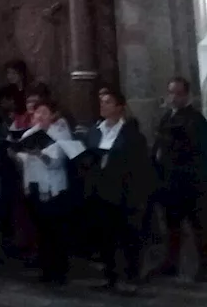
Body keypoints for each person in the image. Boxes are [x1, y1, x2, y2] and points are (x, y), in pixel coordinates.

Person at [87, 89, 154, 295]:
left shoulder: (131, 135)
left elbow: (139, 166)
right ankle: (110, 276)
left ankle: (131, 277)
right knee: (105, 238)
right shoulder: (95, 131)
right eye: (101, 101)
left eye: (108, 102)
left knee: (128, 238)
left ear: (119, 107)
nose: (103, 105)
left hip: (124, 193)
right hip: (101, 192)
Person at [154, 77, 207, 282]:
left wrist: (168, 140)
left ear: (186, 95)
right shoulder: (166, 118)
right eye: (170, 92)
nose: (173, 97)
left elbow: (194, 149)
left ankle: (204, 267)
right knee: (172, 225)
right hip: (171, 182)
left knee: (199, 227)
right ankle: (171, 262)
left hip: (192, 182)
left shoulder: (196, 119)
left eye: (177, 93)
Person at [16, 99, 79, 284]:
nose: (40, 116)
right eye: (37, 113)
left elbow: (58, 162)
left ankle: (59, 271)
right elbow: (23, 157)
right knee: (41, 230)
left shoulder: (60, 134)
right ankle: (45, 268)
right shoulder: (30, 133)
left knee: (55, 231)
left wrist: (41, 154)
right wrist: (18, 154)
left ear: (52, 115)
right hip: (35, 186)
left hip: (53, 189)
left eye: (44, 112)